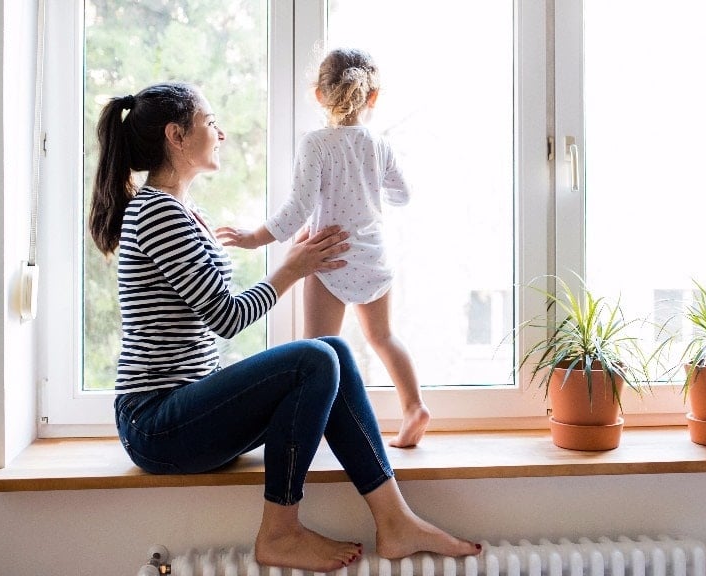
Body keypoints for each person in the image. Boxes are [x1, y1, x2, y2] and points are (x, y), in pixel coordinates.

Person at [89, 82, 480, 572]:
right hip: (155, 423)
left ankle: (395, 520)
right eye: (210, 123)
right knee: (314, 357)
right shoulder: (158, 213)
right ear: (176, 136)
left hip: (186, 409)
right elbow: (227, 316)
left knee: (331, 349)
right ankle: (279, 531)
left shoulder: (184, 212)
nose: (221, 132)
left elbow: (210, 306)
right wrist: (292, 269)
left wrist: (295, 259)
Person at [224, 48, 430, 448]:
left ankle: (314, 428)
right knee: (384, 337)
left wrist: (253, 238)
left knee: (316, 352)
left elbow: (297, 209)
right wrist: (368, 188)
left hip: (328, 257)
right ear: (373, 97)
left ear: (318, 95)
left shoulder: (316, 145)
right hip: (374, 256)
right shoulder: (378, 144)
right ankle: (414, 407)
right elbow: (403, 195)